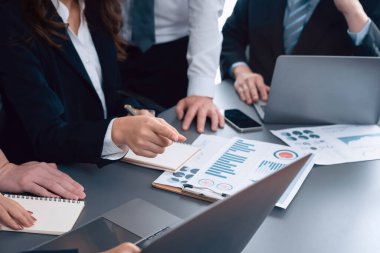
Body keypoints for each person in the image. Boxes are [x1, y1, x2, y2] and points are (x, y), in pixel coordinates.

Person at [0, 0, 186, 166]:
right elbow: (46, 135)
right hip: (52, 174)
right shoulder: (12, 20)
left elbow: (107, 95)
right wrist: (118, 130)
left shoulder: (98, 8)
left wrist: (133, 112)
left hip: (99, 167)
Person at [221, 0, 380, 105]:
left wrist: (353, 11)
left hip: (330, 116)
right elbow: (230, 37)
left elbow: (375, 70)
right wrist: (241, 71)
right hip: (258, 103)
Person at [120, 0, 225, 133]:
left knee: (170, 132)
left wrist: (201, 92)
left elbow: (206, 13)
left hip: (173, 53)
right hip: (110, 43)